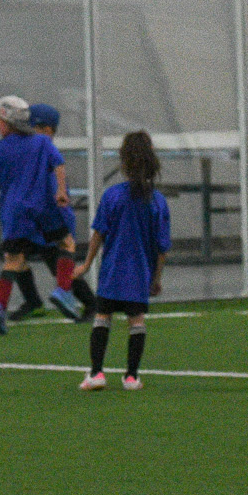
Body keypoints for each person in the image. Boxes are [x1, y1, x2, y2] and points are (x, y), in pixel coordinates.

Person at [74, 131, 170, 391]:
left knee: (102, 317)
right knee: (136, 320)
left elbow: (98, 234)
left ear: (124, 161)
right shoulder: (158, 202)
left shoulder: (112, 196)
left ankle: (96, 373)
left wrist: (86, 264)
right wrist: (156, 278)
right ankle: (131, 377)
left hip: (112, 271)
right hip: (140, 274)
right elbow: (162, 248)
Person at [0, 95, 75, 331]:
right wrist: (61, 191)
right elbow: (58, 164)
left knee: (13, 260)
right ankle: (63, 290)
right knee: (66, 243)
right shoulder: (42, 142)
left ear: (7, 122)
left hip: (14, 212)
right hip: (44, 208)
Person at [27, 102, 98, 321]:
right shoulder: (36, 151)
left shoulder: (45, 151)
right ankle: (78, 300)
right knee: (54, 264)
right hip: (43, 216)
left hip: (54, 214)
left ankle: (84, 301)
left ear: (47, 130)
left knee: (59, 261)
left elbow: (54, 183)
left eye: (34, 128)